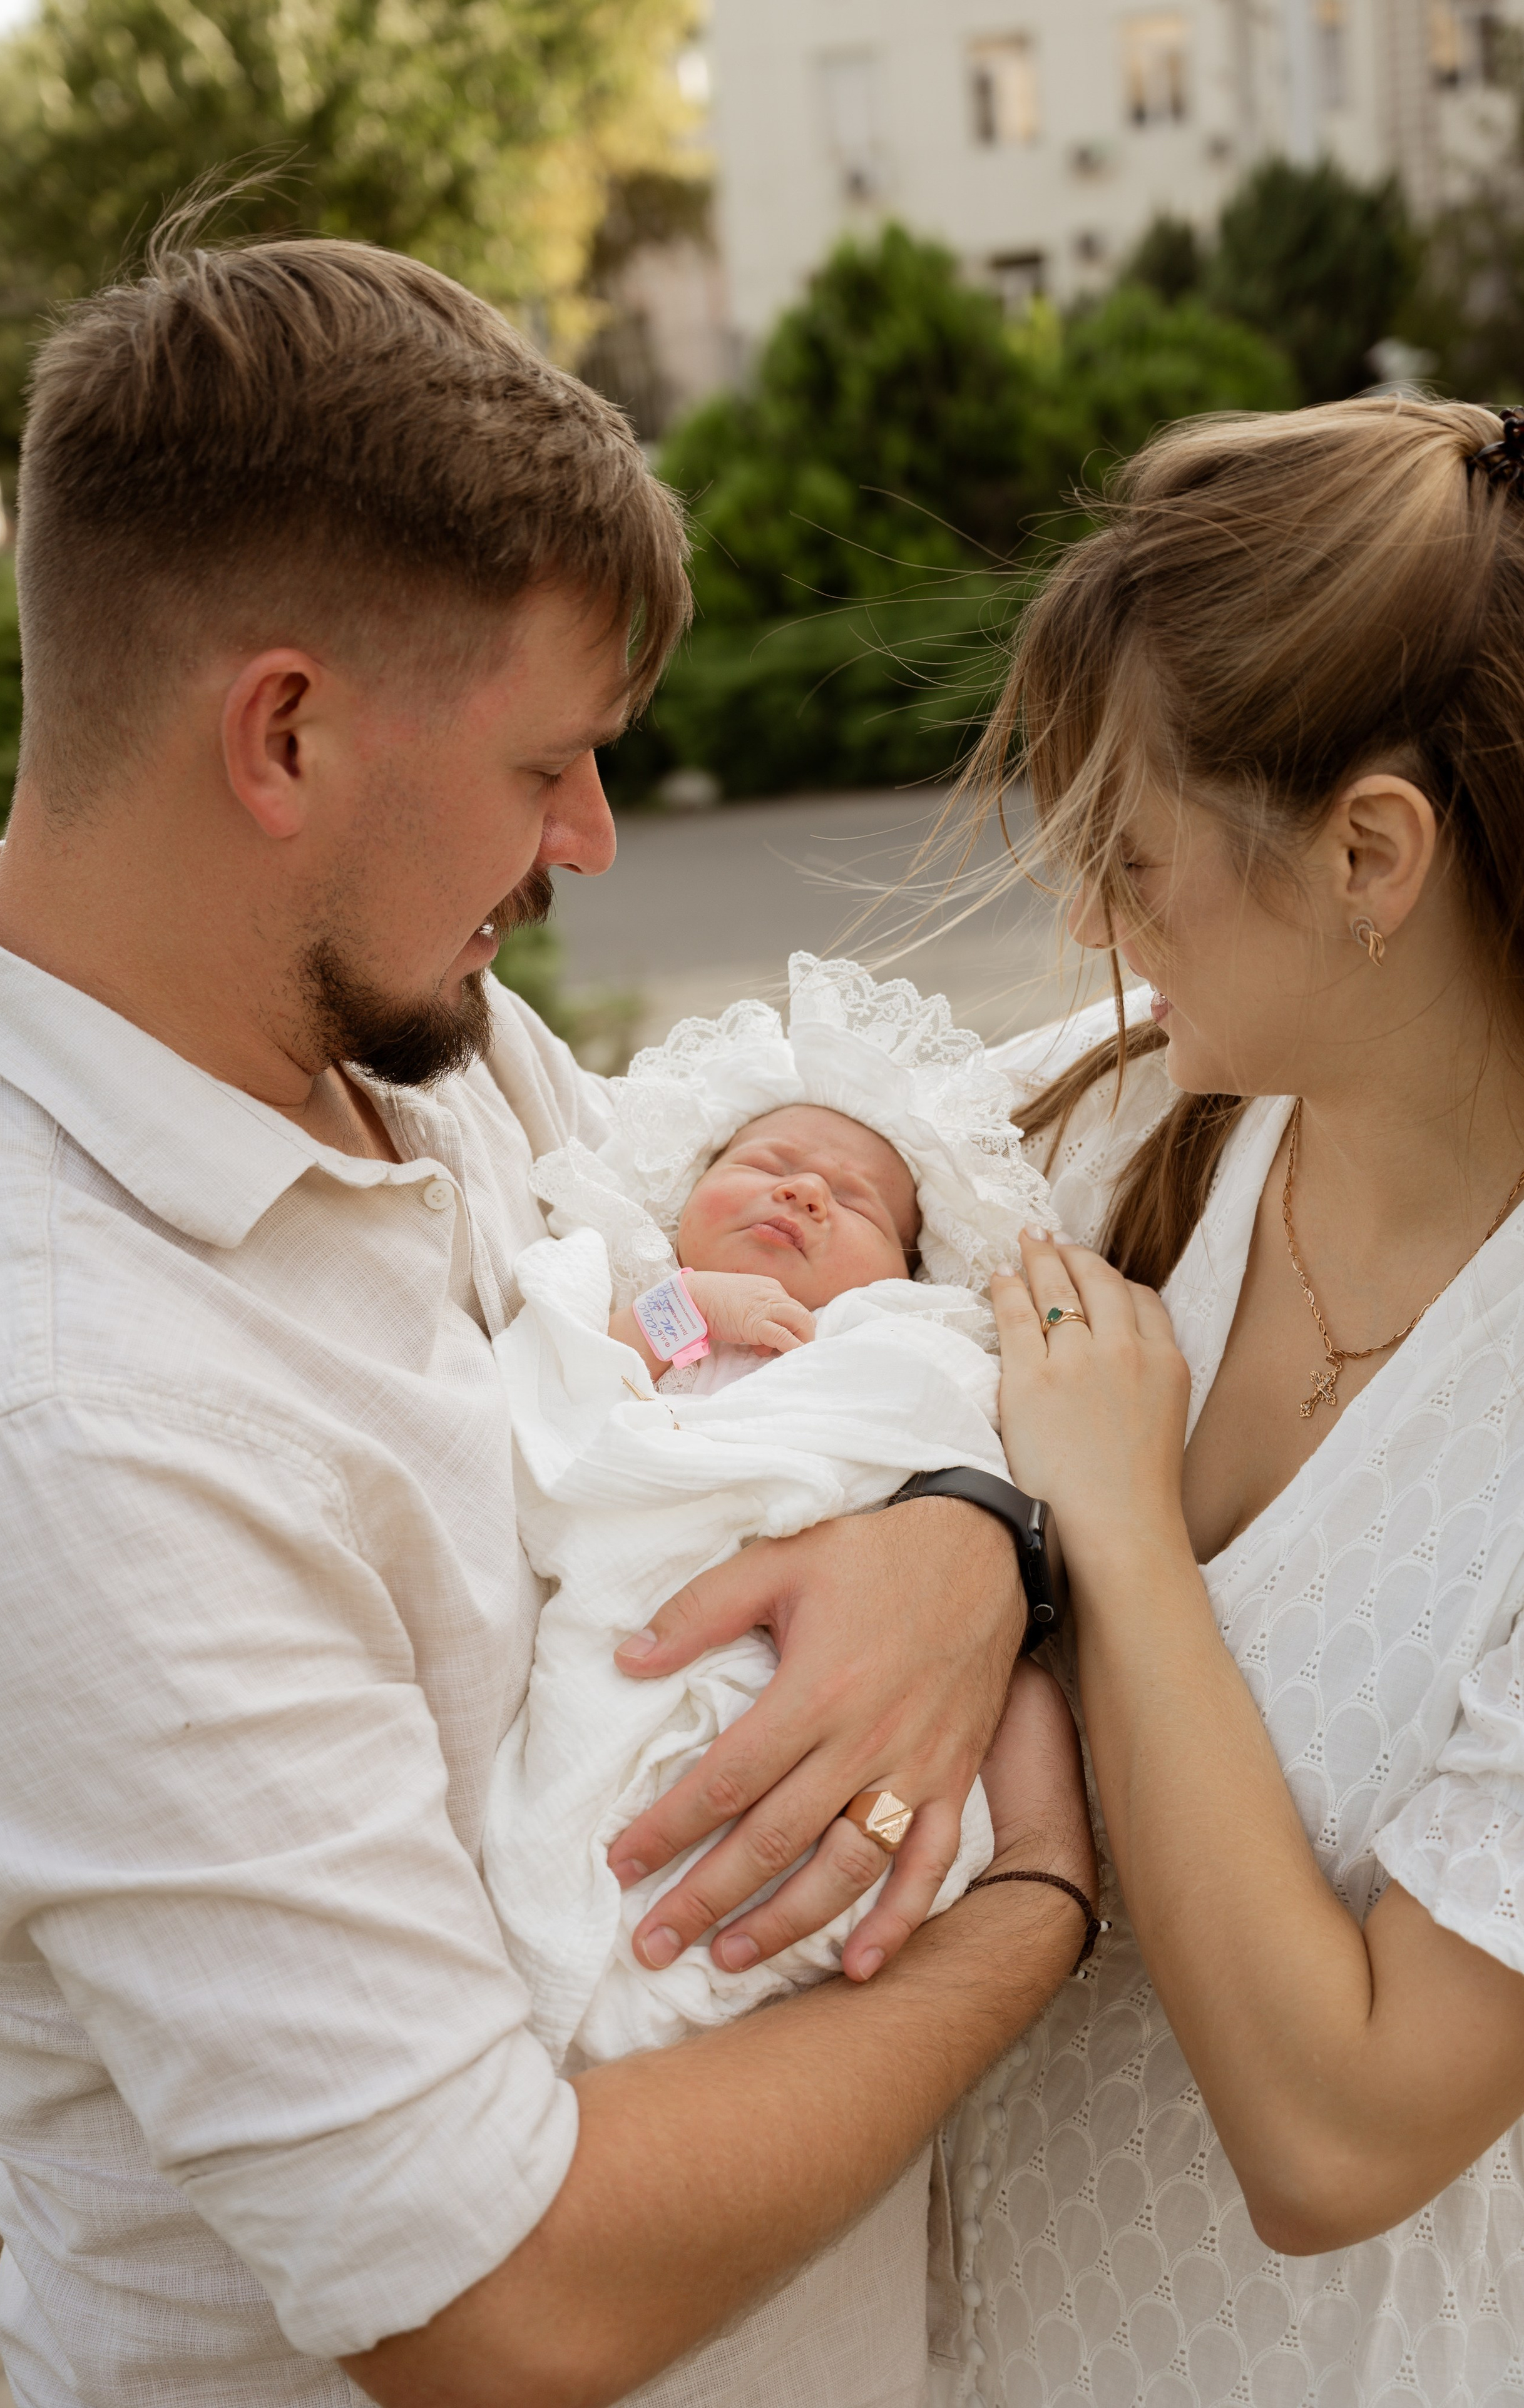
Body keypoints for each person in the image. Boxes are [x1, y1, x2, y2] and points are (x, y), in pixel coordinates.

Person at [0, 222, 1094, 2408]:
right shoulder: (62, 1415)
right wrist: (1038, 1902)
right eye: (549, 760)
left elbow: (755, 1351)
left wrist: (966, 1533)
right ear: (284, 735)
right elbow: (496, 2297)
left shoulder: (402, 1040)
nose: (596, 837)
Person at [934, 395, 1524, 2407]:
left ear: (1371, 854)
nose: (1089, 925)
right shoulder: (1130, 1133)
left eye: (1132, 857)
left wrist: (1114, 1532)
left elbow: (1340, 2137)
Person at [485, 951, 1060, 2066]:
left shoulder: (899, 1339)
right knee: (581, 1804)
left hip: (827, 1649)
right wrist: (688, 1310)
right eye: (767, 1164)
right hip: (642, 1618)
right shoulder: (639, 1300)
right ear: (680, 1198)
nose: (804, 1194)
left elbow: (944, 1436)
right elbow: (551, 1405)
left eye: (856, 1201)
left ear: (905, 1269)